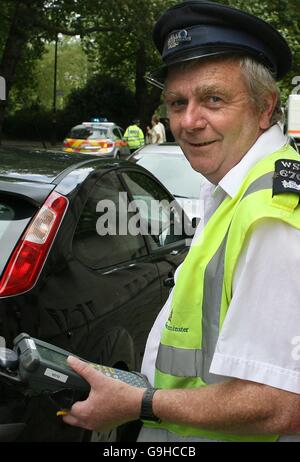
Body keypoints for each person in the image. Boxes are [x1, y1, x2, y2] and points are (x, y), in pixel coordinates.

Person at [62, 1, 300, 442]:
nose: (189, 122)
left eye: (213, 98)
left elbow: (280, 404)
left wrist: (138, 404)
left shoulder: (272, 214)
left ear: (266, 107)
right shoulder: (234, 189)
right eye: (177, 102)